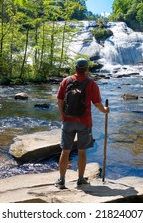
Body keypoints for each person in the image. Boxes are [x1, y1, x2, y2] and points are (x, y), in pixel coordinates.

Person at [55, 58, 109, 189]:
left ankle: (61, 181)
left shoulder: (66, 81)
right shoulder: (91, 84)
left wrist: (63, 114)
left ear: (75, 68)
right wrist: (105, 111)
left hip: (68, 121)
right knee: (82, 151)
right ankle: (80, 179)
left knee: (65, 150)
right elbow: (97, 104)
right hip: (84, 122)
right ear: (87, 69)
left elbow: (60, 99)